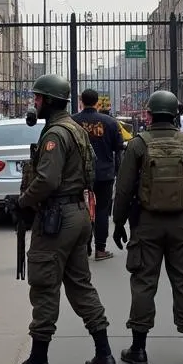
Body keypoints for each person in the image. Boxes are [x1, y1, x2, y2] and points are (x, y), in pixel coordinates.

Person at [4, 73, 117, 364]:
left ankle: (38, 362)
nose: (35, 103)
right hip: (78, 214)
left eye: (38, 98)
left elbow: (48, 180)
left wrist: (23, 201)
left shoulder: (55, 134)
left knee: (44, 286)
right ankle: (104, 354)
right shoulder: (75, 129)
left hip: (57, 218)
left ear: (50, 101)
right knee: (81, 285)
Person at [112, 89, 183, 364]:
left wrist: (119, 222)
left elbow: (123, 189)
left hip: (146, 222)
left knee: (144, 283)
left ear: (149, 115)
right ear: (176, 115)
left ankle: (138, 350)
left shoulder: (138, 145)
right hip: (181, 222)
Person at [73, 88, 124, 261]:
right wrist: (118, 172)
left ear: (81, 101)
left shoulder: (73, 122)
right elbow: (119, 150)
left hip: (79, 175)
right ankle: (100, 249)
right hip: (104, 174)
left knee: (81, 209)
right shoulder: (109, 122)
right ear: (97, 103)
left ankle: (84, 245)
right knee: (102, 210)